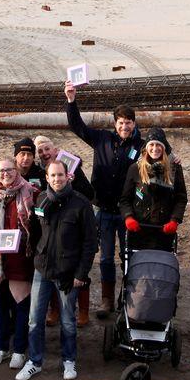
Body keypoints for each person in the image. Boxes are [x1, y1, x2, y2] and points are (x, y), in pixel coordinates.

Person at [64, 80, 142, 319]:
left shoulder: (141, 145)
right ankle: (107, 299)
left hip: (128, 211)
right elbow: (77, 126)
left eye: (128, 122)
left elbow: (161, 150)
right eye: (121, 122)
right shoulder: (102, 139)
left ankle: (128, 297)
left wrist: (174, 157)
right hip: (103, 210)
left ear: (134, 123)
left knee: (128, 256)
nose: (124, 126)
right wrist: (71, 100)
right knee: (106, 257)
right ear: (114, 123)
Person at [16, 160, 98, 380]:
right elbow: (34, 231)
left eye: (60, 175)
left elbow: (91, 243)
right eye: (52, 176)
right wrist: (36, 255)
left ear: (68, 176)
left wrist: (81, 274)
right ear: (47, 177)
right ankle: (34, 361)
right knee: (35, 318)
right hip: (42, 269)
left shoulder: (81, 204)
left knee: (68, 320)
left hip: (68, 273)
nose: (56, 179)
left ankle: (69, 360)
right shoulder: (41, 199)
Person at [0, 158, 39, 371]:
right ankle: (1, 347)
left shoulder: (31, 191)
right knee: (0, 305)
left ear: (17, 170)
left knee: (21, 306)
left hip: (21, 259)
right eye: (1, 170)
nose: (5, 174)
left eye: (10, 170)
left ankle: (20, 350)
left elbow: (38, 225)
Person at [34, 134, 95, 327]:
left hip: (76, 223)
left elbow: (90, 194)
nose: (44, 153)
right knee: (52, 269)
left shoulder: (71, 166)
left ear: (55, 149)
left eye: (47, 149)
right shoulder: (40, 170)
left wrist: (74, 182)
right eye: (40, 150)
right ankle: (54, 308)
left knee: (79, 268)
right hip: (52, 227)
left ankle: (83, 311)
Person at [119, 127, 187, 252]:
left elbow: (181, 198)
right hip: (139, 229)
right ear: (146, 147)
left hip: (164, 230)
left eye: (158, 145)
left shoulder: (174, 169)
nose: (155, 149)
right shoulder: (135, 168)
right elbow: (125, 199)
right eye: (152, 145)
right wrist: (128, 217)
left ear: (164, 147)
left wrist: (174, 220)